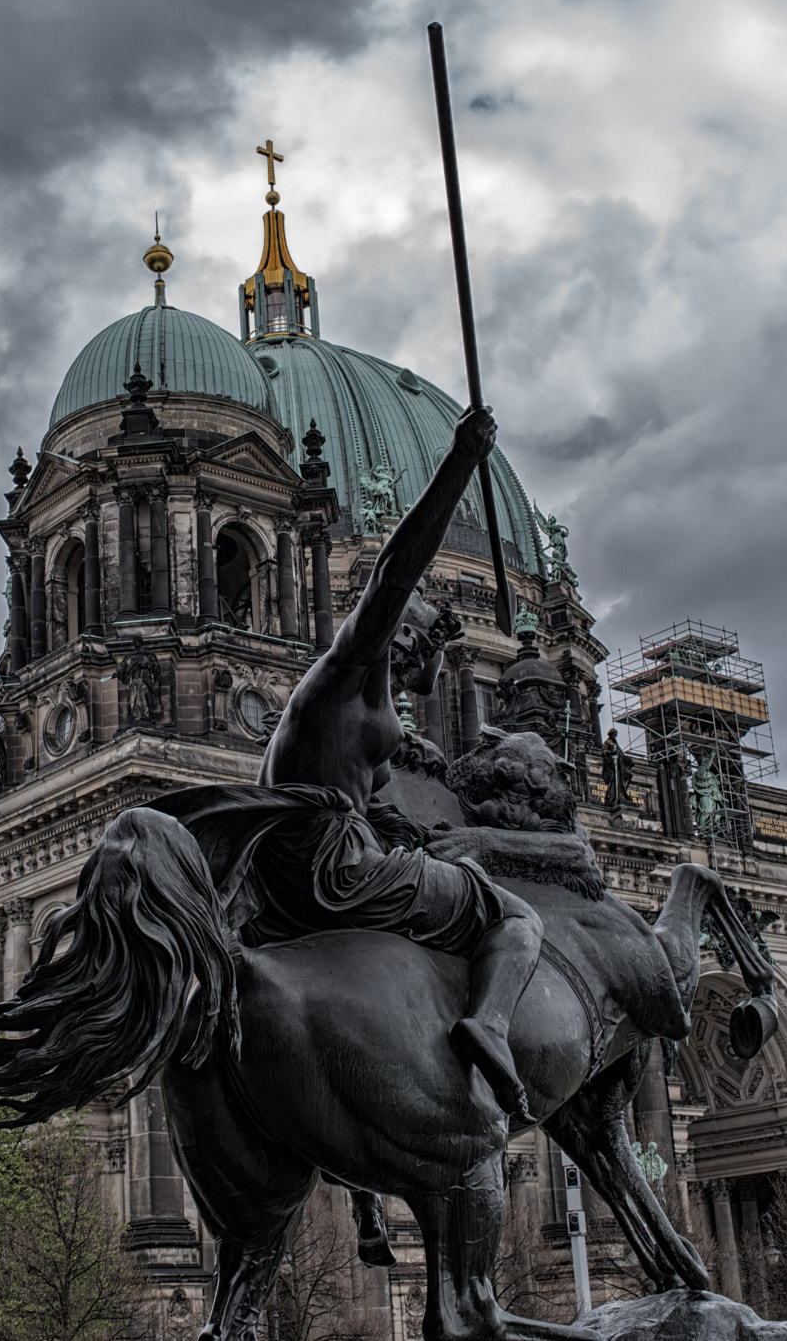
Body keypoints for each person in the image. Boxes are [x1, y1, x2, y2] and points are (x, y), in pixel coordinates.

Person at [253, 404, 542, 1118]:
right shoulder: (348, 668)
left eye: (438, 651)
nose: (423, 651)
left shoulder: (367, 723)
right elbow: (392, 572)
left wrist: (435, 835)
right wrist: (458, 464)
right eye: (411, 629)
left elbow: (387, 814)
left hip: (282, 878)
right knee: (511, 915)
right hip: (335, 869)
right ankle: (488, 1025)